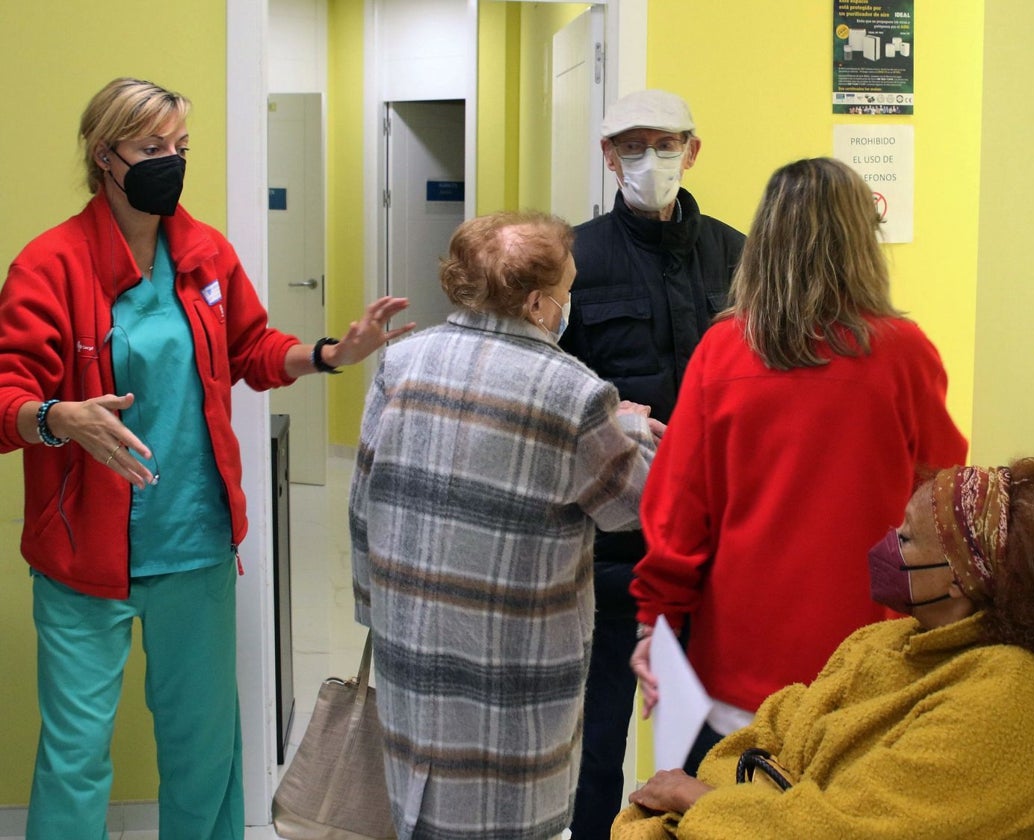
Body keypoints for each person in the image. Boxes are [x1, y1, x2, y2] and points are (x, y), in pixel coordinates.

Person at [0, 78, 413, 840]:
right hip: (80, 553)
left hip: (193, 540)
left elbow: (251, 350)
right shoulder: (51, 264)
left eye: (181, 148)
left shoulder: (204, 253)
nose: (172, 162)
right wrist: (58, 418)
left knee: (202, 747)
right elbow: (7, 392)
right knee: (75, 754)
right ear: (105, 155)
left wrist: (329, 353)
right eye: (153, 148)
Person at [629, 157, 969, 772]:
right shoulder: (903, 354)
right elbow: (944, 500)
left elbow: (679, 511)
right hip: (868, 666)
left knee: (730, 820)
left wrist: (654, 621)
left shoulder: (722, 350)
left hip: (736, 670)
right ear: (862, 242)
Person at [350, 211, 659, 839]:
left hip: (411, 640)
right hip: (512, 664)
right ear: (539, 302)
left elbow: (363, 498)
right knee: (505, 817)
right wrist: (625, 426)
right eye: (568, 291)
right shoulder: (572, 392)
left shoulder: (401, 361)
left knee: (419, 807)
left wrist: (374, 611)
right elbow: (634, 504)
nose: (569, 304)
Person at [615, 457, 1034, 840]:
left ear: (960, 579)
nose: (886, 545)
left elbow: (841, 829)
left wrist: (696, 800)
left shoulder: (1004, 702)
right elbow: (769, 734)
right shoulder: (886, 641)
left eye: (905, 538)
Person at [561, 89, 745, 838]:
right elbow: (550, 384)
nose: (650, 160)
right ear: (608, 158)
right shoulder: (576, 255)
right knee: (600, 738)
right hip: (616, 541)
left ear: (692, 150)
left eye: (664, 144)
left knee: (709, 737)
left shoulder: (737, 253)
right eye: (631, 146)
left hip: (719, 538)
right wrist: (609, 412)